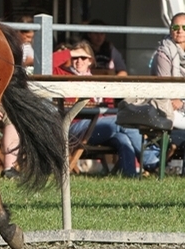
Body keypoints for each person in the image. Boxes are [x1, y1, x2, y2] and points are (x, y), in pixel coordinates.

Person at [59, 41, 144, 177]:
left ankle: (131, 176)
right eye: (75, 57)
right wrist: (70, 53)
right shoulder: (64, 77)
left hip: (100, 127)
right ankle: (151, 159)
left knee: (123, 138)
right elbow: (47, 62)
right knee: (120, 121)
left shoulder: (98, 82)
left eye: (83, 57)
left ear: (90, 61)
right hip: (74, 127)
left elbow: (109, 106)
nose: (79, 61)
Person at [149, 12, 185, 129]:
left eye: (184, 27)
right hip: (167, 107)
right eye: (175, 27)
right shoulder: (163, 54)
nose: (180, 31)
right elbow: (166, 91)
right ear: (170, 30)